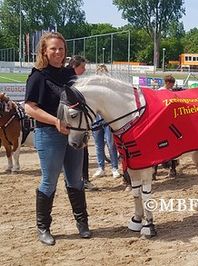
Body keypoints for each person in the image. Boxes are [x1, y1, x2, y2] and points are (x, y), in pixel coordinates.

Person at [24, 32, 91, 246]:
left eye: (61, 49)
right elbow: (29, 107)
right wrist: (55, 121)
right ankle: (43, 227)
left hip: (73, 134)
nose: (58, 52)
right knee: (49, 181)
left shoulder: (70, 75)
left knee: (76, 180)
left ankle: (82, 224)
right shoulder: (38, 76)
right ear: (44, 51)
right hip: (48, 134)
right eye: (53, 48)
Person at [67, 55, 96, 191]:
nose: (84, 70)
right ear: (74, 66)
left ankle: (81, 179)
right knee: (82, 152)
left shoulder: (73, 80)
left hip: (75, 123)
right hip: (74, 124)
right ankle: (83, 180)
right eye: (82, 67)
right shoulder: (71, 81)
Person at [92, 64, 121, 179]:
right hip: (97, 119)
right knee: (98, 145)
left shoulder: (111, 88)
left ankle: (114, 167)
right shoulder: (93, 89)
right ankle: (101, 167)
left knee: (111, 143)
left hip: (108, 119)